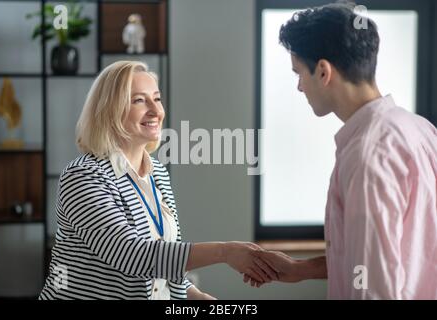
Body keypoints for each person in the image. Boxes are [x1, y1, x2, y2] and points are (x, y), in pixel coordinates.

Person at [39, 60, 277, 300]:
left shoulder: (158, 173)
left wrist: (197, 296)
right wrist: (225, 252)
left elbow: (163, 262)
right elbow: (130, 255)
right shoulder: (83, 176)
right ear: (110, 110)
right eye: (139, 100)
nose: (156, 110)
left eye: (157, 98)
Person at [249, 3, 437, 299]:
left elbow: (374, 287)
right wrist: (301, 270)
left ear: (323, 71)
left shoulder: (368, 154)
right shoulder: (420, 129)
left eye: (299, 73)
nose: (299, 87)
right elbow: (398, 255)